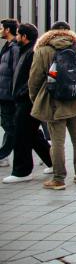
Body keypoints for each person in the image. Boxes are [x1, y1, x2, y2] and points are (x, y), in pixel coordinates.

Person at [29, 22, 76, 190]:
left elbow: (34, 79)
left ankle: (58, 179)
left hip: (53, 102)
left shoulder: (43, 50)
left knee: (57, 142)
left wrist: (36, 98)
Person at [3, 24, 53, 183]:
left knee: (21, 134)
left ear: (24, 37)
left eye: (18, 34)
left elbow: (36, 77)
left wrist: (22, 93)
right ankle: (53, 162)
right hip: (25, 98)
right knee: (32, 133)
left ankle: (22, 171)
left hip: (28, 99)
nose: (16, 37)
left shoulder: (32, 52)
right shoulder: (26, 51)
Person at [0, 18, 20, 167]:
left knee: (10, 125)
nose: (0, 31)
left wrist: (14, 94)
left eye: (1, 28)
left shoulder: (14, 47)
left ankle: (3, 154)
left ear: (7, 30)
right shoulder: (7, 46)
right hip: (4, 92)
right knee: (9, 124)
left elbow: (15, 73)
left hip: (9, 95)